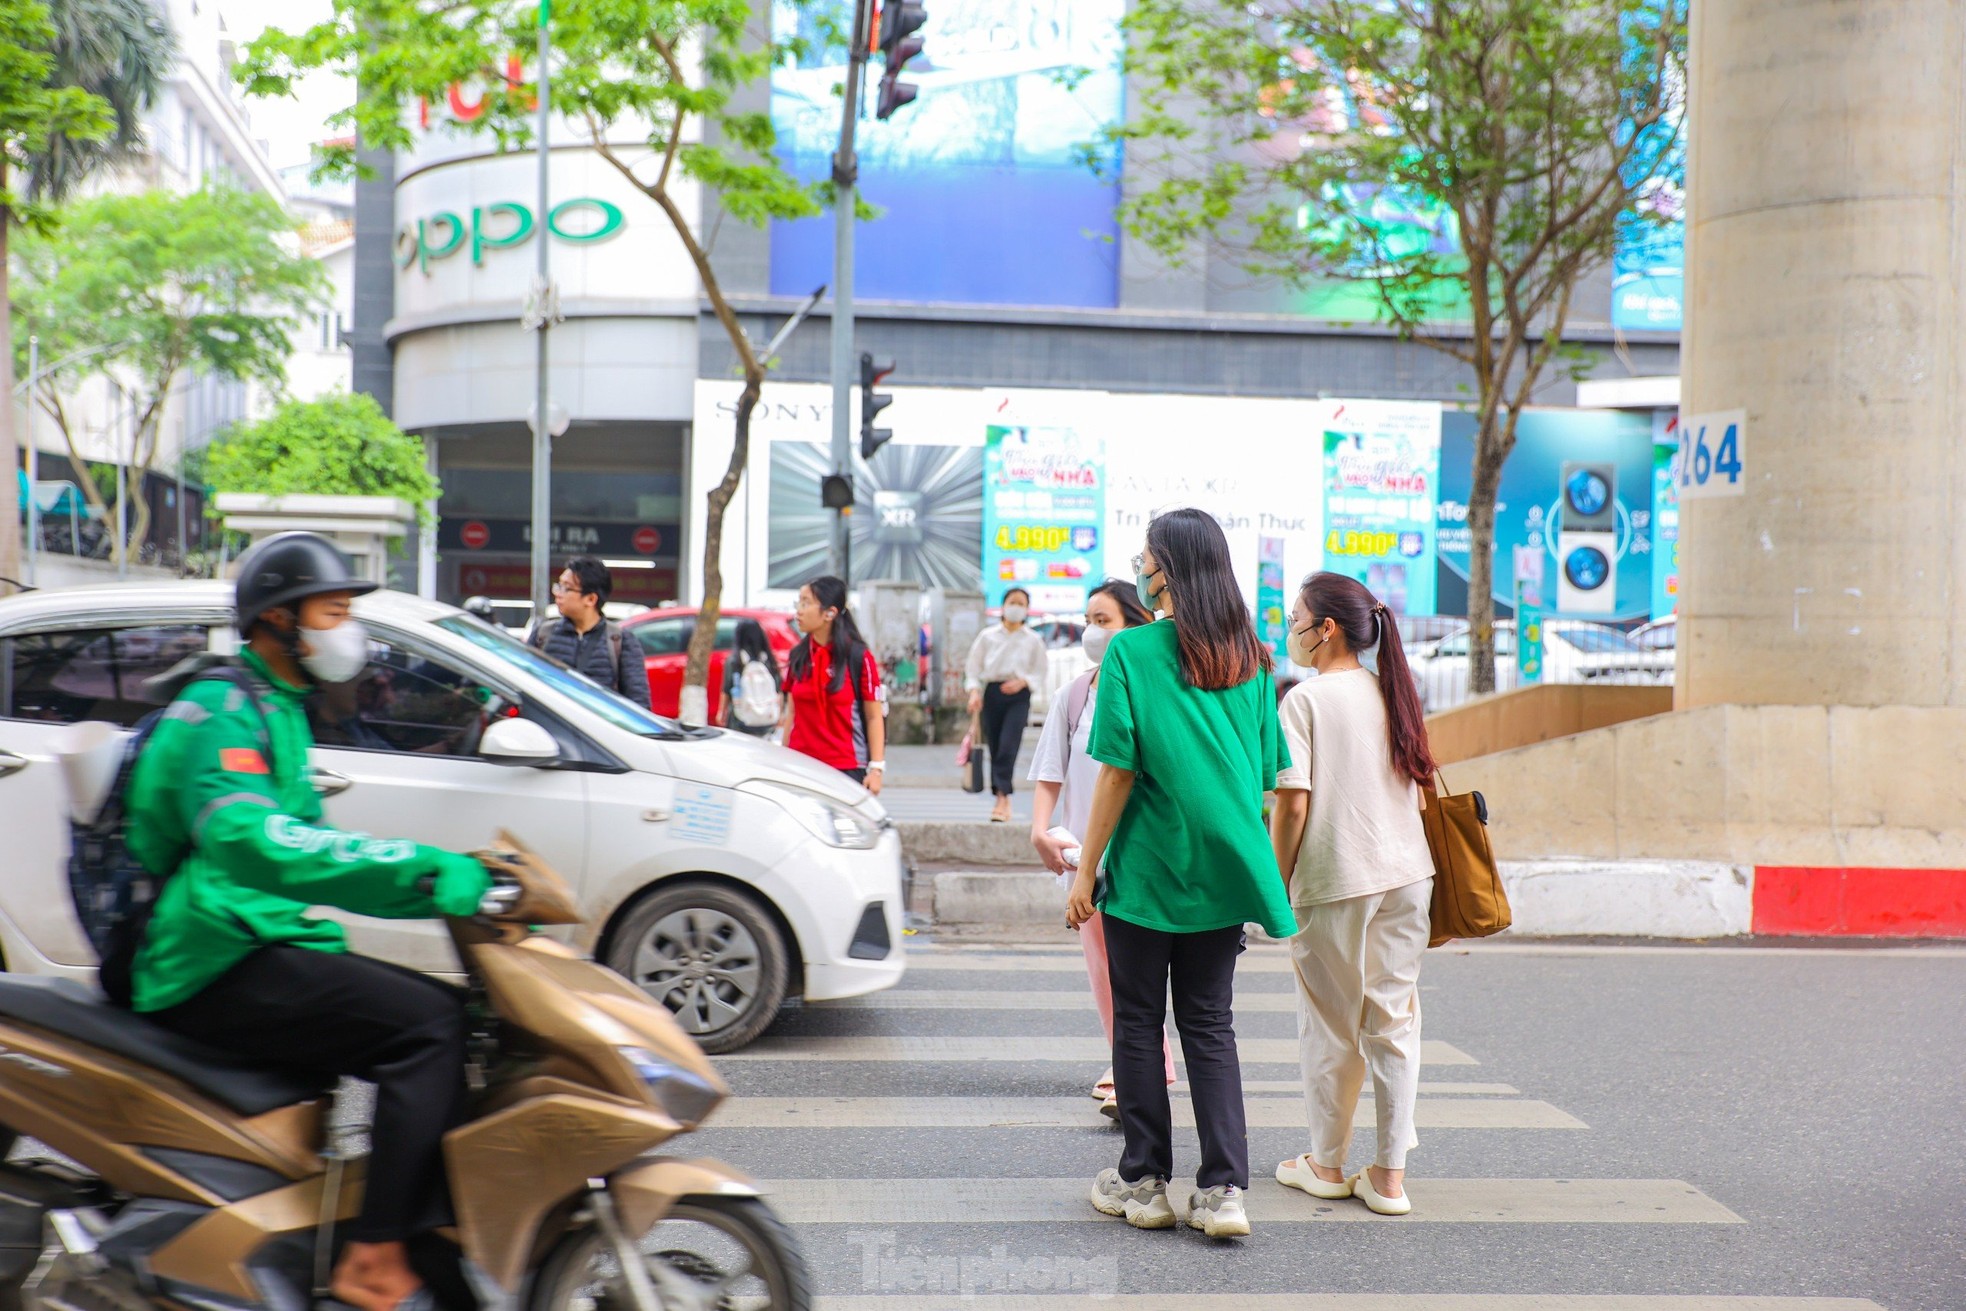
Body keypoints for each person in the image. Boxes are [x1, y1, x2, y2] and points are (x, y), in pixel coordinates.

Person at [125, 532, 493, 1311]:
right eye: (333, 611)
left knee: (462, 1014)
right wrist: (421, 870)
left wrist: (456, 877)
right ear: (277, 622)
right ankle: (375, 1257)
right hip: (203, 959)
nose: (346, 630)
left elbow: (297, 857)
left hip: (249, 935)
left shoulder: (278, 707)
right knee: (427, 1028)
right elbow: (259, 844)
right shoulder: (217, 711)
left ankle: (420, 1234)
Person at [1068, 508, 1298, 1240]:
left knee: (1138, 1020)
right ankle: (1225, 1189)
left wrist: (1085, 872)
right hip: (1224, 872)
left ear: (1165, 569)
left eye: (1145, 556)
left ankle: (1143, 1180)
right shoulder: (1253, 660)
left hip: (1146, 870)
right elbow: (1262, 776)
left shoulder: (1130, 653)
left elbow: (1115, 775)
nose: (1139, 565)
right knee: (1210, 1025)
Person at [1268, 571, 1438, 1217]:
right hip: (1407, 876)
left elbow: (1292, 807)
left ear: (1326, 627)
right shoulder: (1391, 690)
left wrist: (1274, 887)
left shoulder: (1306, 700)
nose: (1292, 630)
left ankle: (1327, 1162)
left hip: (1336, 878)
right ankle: (1389, 1177)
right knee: (1393, 1025)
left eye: (1296, 618)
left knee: (1331, 1027)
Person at [1028, 580, 1174, 1120]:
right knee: (1102, 968)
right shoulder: (1076, 694)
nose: (1092, 632)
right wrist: (1041, 830)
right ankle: (1129, 1064)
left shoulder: (1154, 689)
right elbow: (1050, 772)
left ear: (1137, 626)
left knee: (1132, 971)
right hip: (1081, 858)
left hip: (1140, 856)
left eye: (1104, 620)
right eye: (1089, 619)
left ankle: (1139, 1070)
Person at [782, 576, 886, 791]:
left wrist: (876, 769)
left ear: (830, 613)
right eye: (798, 603)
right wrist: (783, 759)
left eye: (806, 603)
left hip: (845, 769)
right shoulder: (798, 656)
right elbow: (791, 714)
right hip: (800, 767)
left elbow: (874, 716)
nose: (799, 611)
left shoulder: (857, 657)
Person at [964, 586, 1048, 823]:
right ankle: (999, 795)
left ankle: (1003, 797)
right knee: (995, 747)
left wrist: (1023, 682)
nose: (1016, 607)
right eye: (1013, 602)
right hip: (992, 694)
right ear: (1003, 605)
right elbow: (973, 668)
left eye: (1022, 604)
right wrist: (974, 692)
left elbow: (1040, 671)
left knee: (1009, 746)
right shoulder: (987, 636)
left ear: (1027, 609)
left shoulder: (1033, 640)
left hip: (1019, 697)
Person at [527, 556, 651, 708]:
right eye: (559, 585)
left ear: (591, 599)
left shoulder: (620, 641)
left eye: (567, 588)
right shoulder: (542, 635)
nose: (558, 593)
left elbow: (638, 704)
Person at [719, 616, 783, 737]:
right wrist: (779, 714)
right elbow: (778, 690)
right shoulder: (769, 660)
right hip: (767, 720)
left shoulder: (735, 660)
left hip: (741, 720)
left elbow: (727, 689)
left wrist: (721, 712)